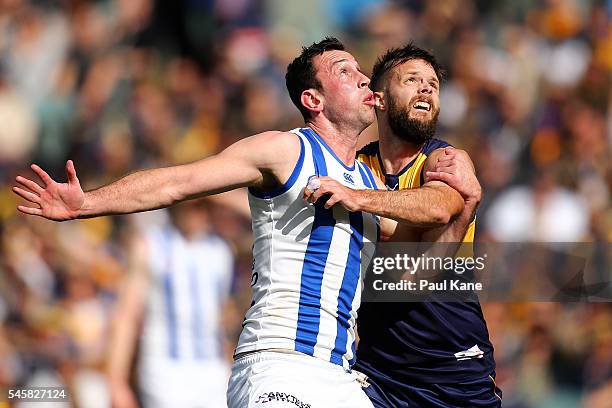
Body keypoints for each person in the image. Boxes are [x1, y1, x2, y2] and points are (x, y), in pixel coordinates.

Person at [13, 37, 466, 407]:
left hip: (342, 378)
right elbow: (178, 182)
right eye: (345, 71)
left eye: (361, 70)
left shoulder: (366, 182)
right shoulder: (286, 150)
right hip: (279, 366)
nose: (364, 77)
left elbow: (414, 263)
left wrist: (463, 210)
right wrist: (86, 203)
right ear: (314, 99)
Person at [306, 43, 500, 407]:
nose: (426, 88)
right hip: (378, 374)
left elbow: (438, 208)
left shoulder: (445, 160)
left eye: (433, 84)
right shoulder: (353, 167)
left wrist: (358, 198)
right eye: (412, 80)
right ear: (378, 99)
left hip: (455, 370)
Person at [106, 200, 234, 408]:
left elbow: (221, 318)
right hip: (164, 369)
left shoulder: (220, 251)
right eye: (191, 204)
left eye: (201, 205)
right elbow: (127, 316)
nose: (195, 213)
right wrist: (116, 380)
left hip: (213, 370)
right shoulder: (151, 245)